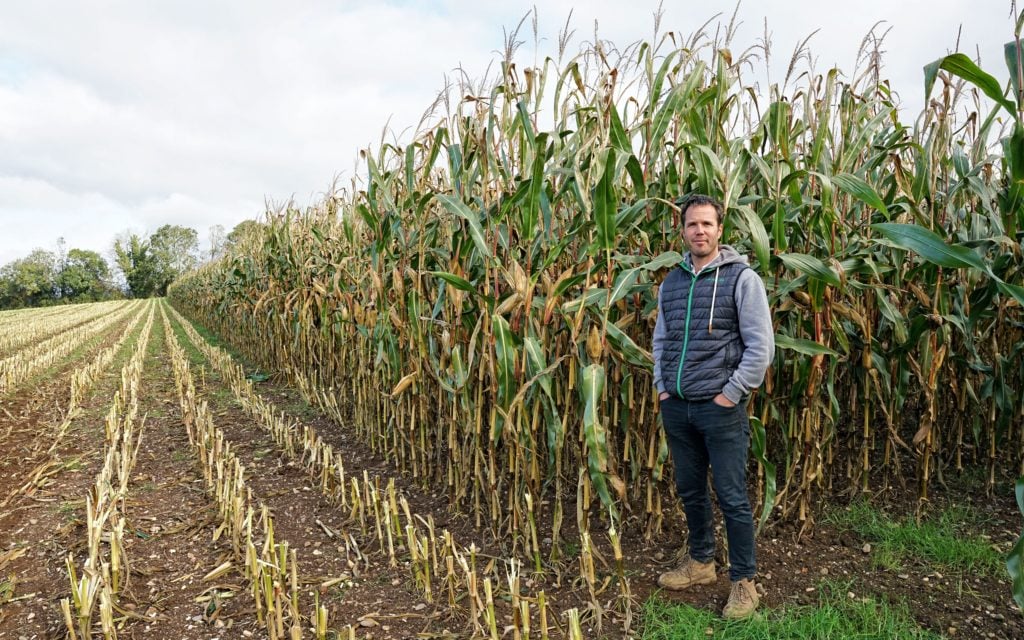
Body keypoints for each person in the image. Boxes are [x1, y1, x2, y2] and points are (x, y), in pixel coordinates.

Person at [651, 194, 774, 619]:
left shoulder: (742, 279)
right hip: (678, 406)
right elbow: (662, 340)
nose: (699, 231)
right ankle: (701, 563)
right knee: (690, 490)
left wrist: (731, 394)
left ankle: (744, 582)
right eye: (691, 225)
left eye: (707, 224)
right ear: (682, 231)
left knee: (732, 496)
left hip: (720, 408)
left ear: (720, 230)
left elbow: (760, 348)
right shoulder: (673, 281)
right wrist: (663, 388)